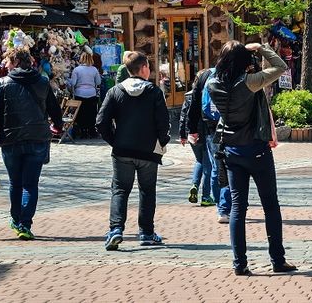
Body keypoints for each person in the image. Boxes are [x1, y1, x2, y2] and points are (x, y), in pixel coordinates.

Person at [205, 41, 296, 276]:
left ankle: (239, 263)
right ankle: (277, 259)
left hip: (232, 150)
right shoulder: (249, 83)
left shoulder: (212, 83)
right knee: (270, 205)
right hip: (256, 149)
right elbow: (280, 66)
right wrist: (261, 48)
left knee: (237, 208)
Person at [0, 48, 63, 240]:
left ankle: (17, 220)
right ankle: (25, 224)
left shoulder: (3, 84)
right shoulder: (42, 82)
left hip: (11, 140)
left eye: (8, 62)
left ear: (16, 62)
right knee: (30, 185)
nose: (6, 65)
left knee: (16, 184)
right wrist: (57, 126)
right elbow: (54, 109)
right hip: (37, 139)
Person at [96, 51, 171, 251]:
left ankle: (116, 229)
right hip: (148, 151)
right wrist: (161, 142)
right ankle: (146, 232)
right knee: (147, 191)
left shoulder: (115, 91)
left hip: (122, 150)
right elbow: (163, 122)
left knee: (120, 190)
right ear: (144, 68)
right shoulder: (154, 92)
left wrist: (114, 141)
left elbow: (101, 122)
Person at [187, 67, 231, 223]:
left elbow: (194, 104)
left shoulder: (205, 75)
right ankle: (229, 206)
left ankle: (221, 208)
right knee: (231, 167)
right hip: (233, 127)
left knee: (216, 167)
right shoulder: (236, 72)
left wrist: (192, 129)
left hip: (211, 127)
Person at [179, 75, 213, 207]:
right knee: (208, 165)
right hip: (204, 133)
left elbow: (183, 115)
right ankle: (205, 196)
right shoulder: (206, 93)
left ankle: (194, 184)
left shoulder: (188, 95)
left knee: (199, 160)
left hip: (192, 133)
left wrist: (182, 134)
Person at [69, 51, 102, 138]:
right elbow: (98, 82)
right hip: (91, 93)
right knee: (91, 113)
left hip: (79, 93)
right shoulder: (94, 69)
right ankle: (91, 130)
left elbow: (73, 83)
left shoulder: (77, 70)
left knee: (81, 113)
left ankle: (83, 131)